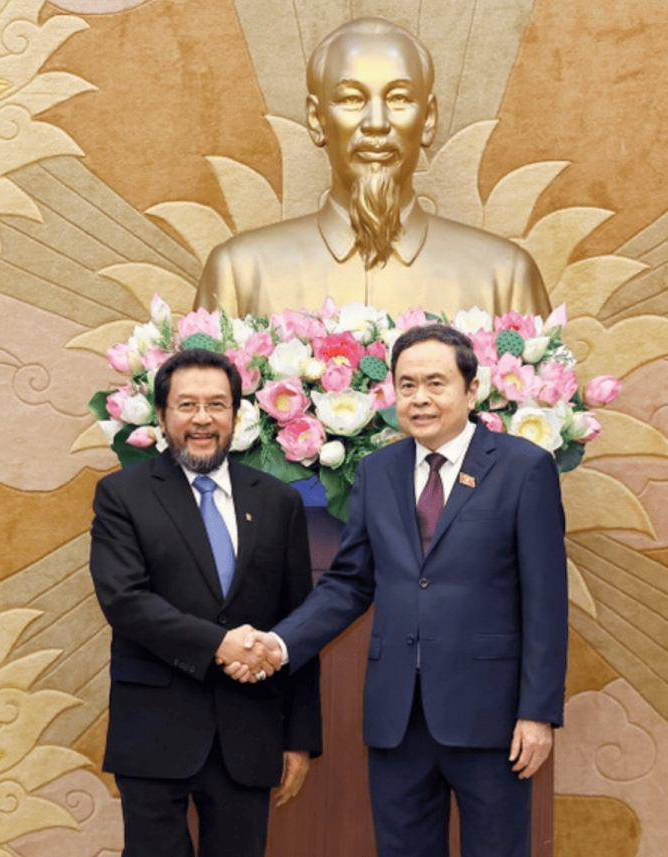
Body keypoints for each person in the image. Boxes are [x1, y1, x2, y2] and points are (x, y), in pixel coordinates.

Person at [240, 325, 568, 857]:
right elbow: (348, 583)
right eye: (407, 384)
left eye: (436, 383)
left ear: (473, 388)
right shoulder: (377, 471)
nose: (420, 398)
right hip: (398, 718)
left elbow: (546, 600)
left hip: (493, 717)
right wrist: (281, 644)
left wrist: (538, 711)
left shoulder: (523, 468)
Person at [88, 349, 321, 857]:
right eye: (186, 404)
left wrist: (300, 737)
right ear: (163, 414)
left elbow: (299, 619)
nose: (201, 419)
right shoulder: (122, 495)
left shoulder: (278, 501)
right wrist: (220, 644)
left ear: (237, 416)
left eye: (217, 405)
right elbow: (124, 600)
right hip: (153, 728)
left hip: (249, 730)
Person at [195, 17, 551, 319]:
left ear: (428, 119)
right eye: (351, 99)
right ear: (317, 119)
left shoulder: (505, 279)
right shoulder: (239, 274)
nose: (376, 123)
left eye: (399, 98)